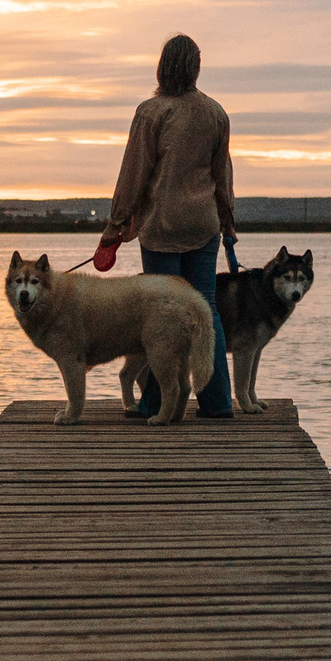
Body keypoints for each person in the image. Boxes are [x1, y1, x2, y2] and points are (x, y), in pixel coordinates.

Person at [93, 33, 237, 419]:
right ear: (196, 67)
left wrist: (115, 226)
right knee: (206, 311)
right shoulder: (215, 113)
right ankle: (218, 402)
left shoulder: (150, 112)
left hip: (161, 226)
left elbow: (134, 173)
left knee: (159, 314)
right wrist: (228, 221)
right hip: (203, 225)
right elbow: (223, 175)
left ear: (162, 66)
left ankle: (155, 404)